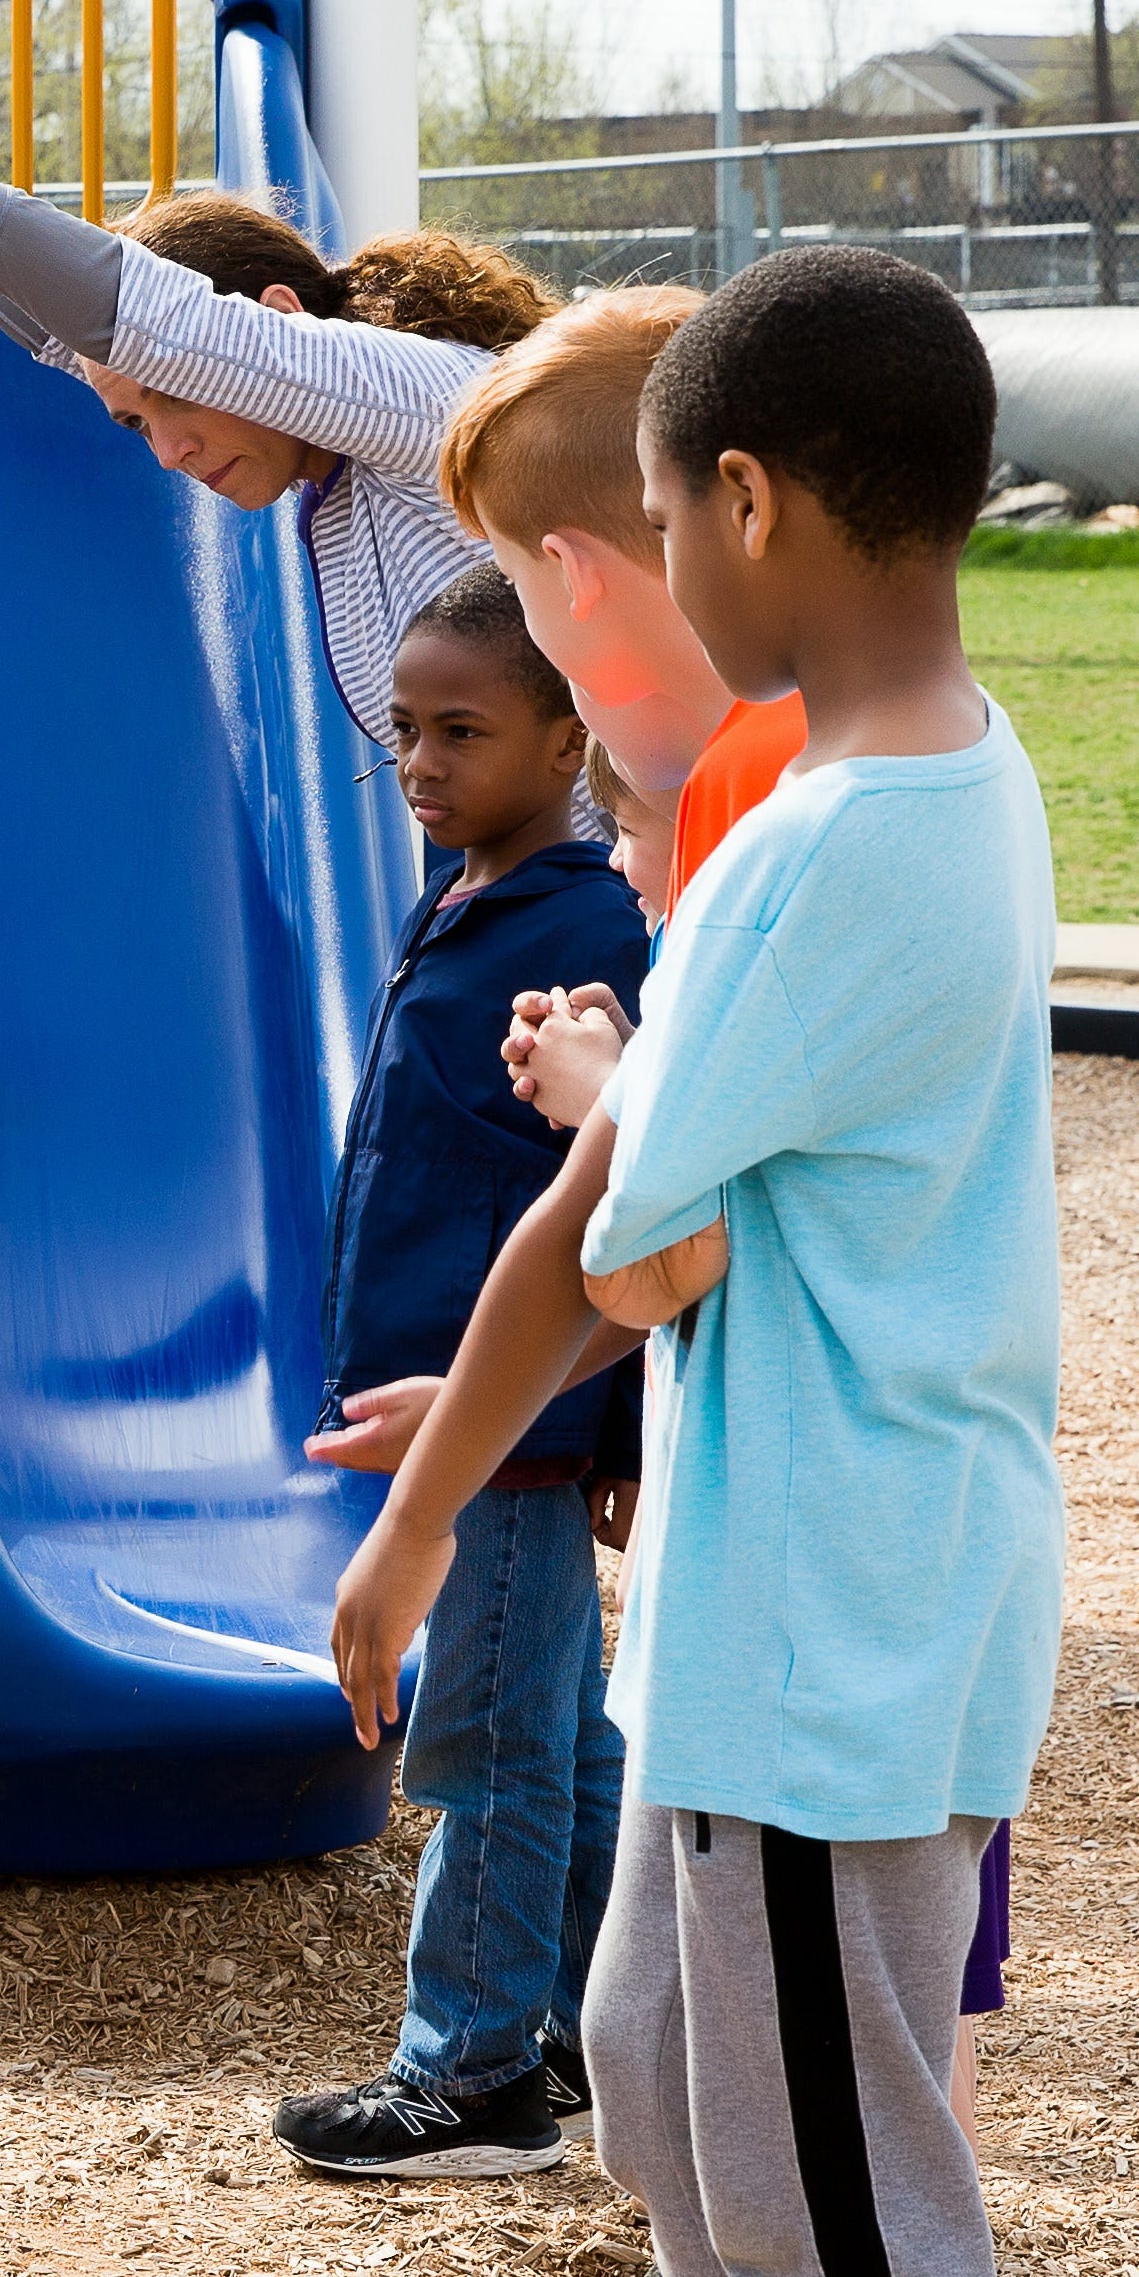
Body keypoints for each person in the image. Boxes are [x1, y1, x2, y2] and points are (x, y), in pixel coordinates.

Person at [321, 247, 1067, 2277]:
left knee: (842, 2203)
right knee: (660, 2071)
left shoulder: (829, 848)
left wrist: (413, 1532)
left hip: (833, 1634)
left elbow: (618, 1242)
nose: (632, 571)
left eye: (641, 522)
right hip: (794, 1607)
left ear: (744, 510)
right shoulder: (928, 783)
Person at [0, 93, 735, 788]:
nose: (169, 451)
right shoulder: (339, 478)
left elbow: (133, 319)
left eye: (176, 401)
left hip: (635, 887)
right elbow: (71, 336)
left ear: (275, 320)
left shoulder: (439, 404)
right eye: (136, 424)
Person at [267, 571, 648, 2183]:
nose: (420, 760)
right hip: (482, 1401)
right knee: (558, 1729)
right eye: (407, 730)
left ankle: (473, 2070)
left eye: (466, 731)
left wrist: (605, 1408)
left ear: (571, 734)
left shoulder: (580, 924)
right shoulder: (469, 888)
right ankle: (589, 2027)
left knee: (490, 1734)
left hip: (504, 1416)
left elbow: (626, 1194)